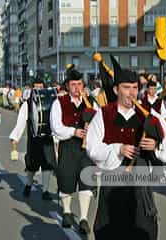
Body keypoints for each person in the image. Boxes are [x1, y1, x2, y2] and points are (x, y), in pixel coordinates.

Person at [86, 55, 166, 240]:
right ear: (116, 89)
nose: (131, 93)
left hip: (140, 187)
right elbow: (92, 148)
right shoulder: (104, 114)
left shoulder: (148, 114)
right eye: (126, 88)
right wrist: (118, 149)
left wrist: (156, 146)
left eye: (135, 88)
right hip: (112, 185)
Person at [50, 64, 98, 234]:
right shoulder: (59, 102)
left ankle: (84, 218)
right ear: (67, 86)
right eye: (73, 85)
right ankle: (67, 212)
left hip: (87, 150)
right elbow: (56, 127)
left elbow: (100, 125)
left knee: (86, 182)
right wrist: (74, 131)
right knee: (66, 180)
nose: (77, 88)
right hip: (68, 146)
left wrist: (91, 129)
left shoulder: (91, 102)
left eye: (79, 84)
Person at [9, 77, 55, 201]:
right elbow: (20, 123)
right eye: (36, 87)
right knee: (31, 165)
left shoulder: (52, 103)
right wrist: (15, 139)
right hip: (34, 139)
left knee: (48, 165)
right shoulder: (27, 104)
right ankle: (29, 184)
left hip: (47, 138)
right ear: (32, 89)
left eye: (41, 87)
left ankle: (45, 190)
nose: (39, 89)